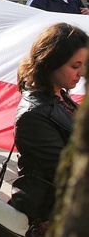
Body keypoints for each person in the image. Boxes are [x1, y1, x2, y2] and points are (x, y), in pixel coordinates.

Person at [11, 23, 88, 236]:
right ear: (52, 62)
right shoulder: (33, 115)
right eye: (75, 66)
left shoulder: (59, 94)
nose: (81, 73)